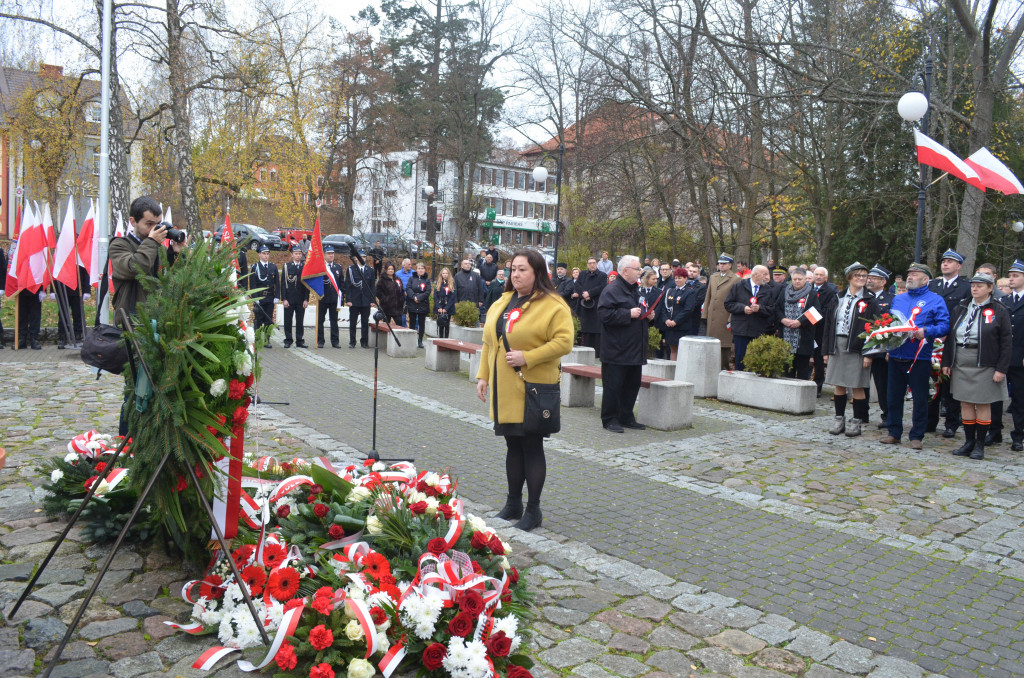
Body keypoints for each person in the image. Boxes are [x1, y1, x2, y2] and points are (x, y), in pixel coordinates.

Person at [475, 249, 573, 531]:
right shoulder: (504, 300)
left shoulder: (553, 304)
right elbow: (490, 341)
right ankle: (513, 503)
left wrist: (527, 357)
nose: (516, 275)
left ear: (538, 273)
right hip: (504, 390)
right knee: (512, 445)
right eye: (513, 269)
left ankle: (533, 510)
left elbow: (564, 342)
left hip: (532, 388)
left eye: (523, 270)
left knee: (531, 446)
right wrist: (483, 375)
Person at [110, 196, 187, 433]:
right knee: (134, 391)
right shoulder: (119, 245)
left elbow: (176, 284)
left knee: (156, 390)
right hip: (134, 328)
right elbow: (135, 268)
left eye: (159, 223)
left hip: (160, 327)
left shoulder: (156, 248)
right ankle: (127, 445)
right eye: (149, 224)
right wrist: (153, 242)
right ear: (133, 221)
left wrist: (177, 255)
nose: (155, 229)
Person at [940, 272, 1010, 460]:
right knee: (965, 402)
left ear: (990, 288)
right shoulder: (961, 307)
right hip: (962, 360)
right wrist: (947, 362)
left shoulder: (999, 310)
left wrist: (1001, 369)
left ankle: (980, 445)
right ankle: (968, 442)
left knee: (983, 403)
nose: (975, 288)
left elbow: (1006, 342)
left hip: (986, 362)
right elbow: (950, 338)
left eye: (980, 285)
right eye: (973, 284)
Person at [881, 263, 950, 449]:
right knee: (893, 396)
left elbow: (944, 325)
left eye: (914, 274)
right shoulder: (899, 299)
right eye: (909, 273)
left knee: (920, 398)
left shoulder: (936, 300)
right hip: (896, 354)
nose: (909, 276)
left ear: (925, 279)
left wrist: (926, 330)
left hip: (919, 357)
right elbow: (890, 323)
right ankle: (894, 432)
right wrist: (888, 346)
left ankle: (917, 435)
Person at [822, 262, 879, 437]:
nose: (862, 279)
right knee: (838, 385)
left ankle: (857, 422)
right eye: (858, 276)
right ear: (849, 278)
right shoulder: (837, 297)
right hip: (838, 345)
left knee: (857, 386)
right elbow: (829, 324)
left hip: (858, 348)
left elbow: (875, 328)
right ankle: (839, 420)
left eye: (864, 276)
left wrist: (869, 352)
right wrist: (826, 350)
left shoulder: (870, 300)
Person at [598, 255, 648, 432]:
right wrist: (627, 314)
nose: (640, 272)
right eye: (637, 269)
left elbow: (640, 310)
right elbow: (604, 315)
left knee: (631, 386)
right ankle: (610, 419)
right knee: (613, 387)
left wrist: (648, 315)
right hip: (616, 349)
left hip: (635, 348)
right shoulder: (612, 289)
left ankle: (626, 416)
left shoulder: (636, 289)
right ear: (625, 271)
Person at [929, 249, 971, 438]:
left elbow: (966, 316)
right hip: (932, 340)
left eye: (950, 262)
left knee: (950, 384)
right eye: (943, 261)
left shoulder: (966, 287)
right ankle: (929, 422)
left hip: (952, 342)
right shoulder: (933, 285)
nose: (945, 264)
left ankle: (951, 424)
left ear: (959, 266)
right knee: (931, 382)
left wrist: (948, 334)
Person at [723, 264, 775, 372]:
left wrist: (760, 308)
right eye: (764, 274)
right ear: (755, 274)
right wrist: (743, 308)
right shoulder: (739, 286)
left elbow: (771, 309)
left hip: (758, 330)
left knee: (756, 362)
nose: (767, 277)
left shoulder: (768, 289)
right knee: (740, 360)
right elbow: (728, 304)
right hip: (741, 329)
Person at [865, 264, 895, 428]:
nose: (869, 280)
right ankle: (861, 414)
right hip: (861, 347)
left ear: (883, 281)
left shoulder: (890, 299)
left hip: (880, 349)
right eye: (869, 277)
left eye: (874, 278)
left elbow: (892, 326)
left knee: (882, 384)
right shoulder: (862, 297)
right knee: (860, 383)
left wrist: (889, 348)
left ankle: (887, 415)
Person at [702, 253, 740, 368]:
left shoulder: (736, 279)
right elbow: (708, 296)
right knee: (711, 345)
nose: (721, 266)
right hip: (712, 316)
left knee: (724, 346)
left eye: (724, 264)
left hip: (724, 316)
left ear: (730, 265)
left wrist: (730, 318)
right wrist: (705, 314)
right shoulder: (713, 277)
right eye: (720, 264)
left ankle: (724, 369)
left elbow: (737, 299)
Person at [779, 268, 817, 379]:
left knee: (802, 373)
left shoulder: (812, 294)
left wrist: (800, 322)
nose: (797, 281)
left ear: (805, 279)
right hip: (786, 338)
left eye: (800, 279)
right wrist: (782, 319)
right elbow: (777, 308)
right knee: (787, 371)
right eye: (794, 279)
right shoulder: (784, 291)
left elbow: (817, 313)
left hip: (803, 339)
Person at [1003, 260, 1024, 451]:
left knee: (1019, 399)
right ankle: (993, 431)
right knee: (995, 398)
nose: (1011, 279)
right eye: (1010, 276)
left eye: (1016, 275)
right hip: (1002, 357)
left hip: (1020, 357)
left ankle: (1018, 435)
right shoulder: (1005, 300)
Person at [809, 267, 839, 396]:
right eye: (816, 274)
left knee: (819, 359)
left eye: (821, 275)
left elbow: (827, 310)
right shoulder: (807, 288)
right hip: (806, 328)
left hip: (821, 329)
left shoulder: (831, 291)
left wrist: (808, 318)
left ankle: (818, 386)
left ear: (826, 277)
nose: (818, 277)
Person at [661, 267, 697, 360]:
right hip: (670, 326)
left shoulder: (690, 292)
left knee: (682, 350)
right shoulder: (670, 291)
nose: (677, 280)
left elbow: (688, 309)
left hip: (682, 327)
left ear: (685, 278)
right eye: (676, 278)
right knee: (672, 349)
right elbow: (664, 307)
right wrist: (666, 320)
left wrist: (676, 321)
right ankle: (673, 371)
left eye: (680, 278)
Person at [248, 244, 279, 348]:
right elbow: (252, 285)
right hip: (260, 297)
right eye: (264, 254)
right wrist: (256, 298)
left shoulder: (273, 267)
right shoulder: (255, 267)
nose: (266, 256)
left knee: (268, 320)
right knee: (258, 319)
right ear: (259, 255)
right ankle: (256, 339)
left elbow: (277, 283)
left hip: (270, 297)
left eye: (267, 254)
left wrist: (277, 296)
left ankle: (267, 340)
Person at [575, 257, 606, 358]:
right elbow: (577, 286)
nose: (592, 265)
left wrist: (590, 293)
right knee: (584, 329)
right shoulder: (583, 274)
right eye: (590, 263)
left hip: (595, 306)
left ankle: (596, 354)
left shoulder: (602, 275)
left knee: (596, 330)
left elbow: (602, 287)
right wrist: (584, 294)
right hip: (584, 306)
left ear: (597, 264)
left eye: (593, 263)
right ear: (587, 265)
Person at [316, 246, 345, 348]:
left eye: (332, 253)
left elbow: (342, 284)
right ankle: (320, 341)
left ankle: (335, 341)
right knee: (320, 321)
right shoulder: (320, 267)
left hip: (334, 299)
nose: (331, 255)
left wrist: (342, 298)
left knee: (334, 321)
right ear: (324, 255)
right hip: (322, 298)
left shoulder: (338, 267)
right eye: (329, 253)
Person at [345, 251, 376, 348]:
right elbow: (348, 286)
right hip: (354, 300)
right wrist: (348, 300)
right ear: (355, 258)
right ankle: (352, 341)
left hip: (366, 300)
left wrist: (372, 300)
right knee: (353, 322)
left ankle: (364, 341)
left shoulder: (370, 270)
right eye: (360, 257)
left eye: (364, 257)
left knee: (364, 322)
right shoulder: (351, 269)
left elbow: (372, 287)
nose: (362, 258)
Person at [281, 246, 309, 348]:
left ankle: (300, 340)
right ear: (292, 255)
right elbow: (283, 284)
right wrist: (284, 299)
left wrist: (306, 299)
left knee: (300, 321)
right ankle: (288, 340)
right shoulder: (286, 267)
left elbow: (307, 286)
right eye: (296, 253)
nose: (298, 256)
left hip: (301, 299)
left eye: (299, 254)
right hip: (289, 299)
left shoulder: (305, 267)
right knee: (288, 320)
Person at [406, 262, 432, 348]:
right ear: (416, 269)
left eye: (422, 268)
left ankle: (420, 340)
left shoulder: (427, 280)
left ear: (424, 270)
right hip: (412, 303)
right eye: (419, 268)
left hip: (422, 304)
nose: (420, 270)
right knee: (412, 322)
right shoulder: (412, 278)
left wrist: (419, 298)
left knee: (421, 323)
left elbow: (427, 292)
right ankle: (411, 340)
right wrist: (414, 297)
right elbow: (408, 288)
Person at [454, 259, 486, 324]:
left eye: (469, 263)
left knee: (474, 321)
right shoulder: (457, 276)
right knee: (462, 321)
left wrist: (481, 300)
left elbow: (480, 288)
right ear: (461, 266)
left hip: (474, 302)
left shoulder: (476, 275)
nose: (468, 265)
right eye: (466, 263)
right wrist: (455, 301)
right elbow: (455, 290)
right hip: (462, 302)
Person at [433, 267, 456, 339]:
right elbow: (435, 296)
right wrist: (439, 307)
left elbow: (453, 297)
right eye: (443, 273)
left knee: (446, 324)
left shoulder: (452, 283)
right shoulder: (438, 283)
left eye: (446, 273)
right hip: (440, 305)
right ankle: (440, 338)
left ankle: (446, 339)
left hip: (448, 306)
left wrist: (446, 308)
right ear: (441, 274)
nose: (445, 275)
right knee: (440, 324)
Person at [395, 258, 415, 327]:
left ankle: (414, 328)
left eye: (410, 264)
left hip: (412, 297)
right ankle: (403, 327)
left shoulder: (414, 273)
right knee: (403, 313)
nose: (410, 266)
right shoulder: (397, 274)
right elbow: (395, 285)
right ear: (404, 265)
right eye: (408, 264)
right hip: (402, 297)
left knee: (413, 314)